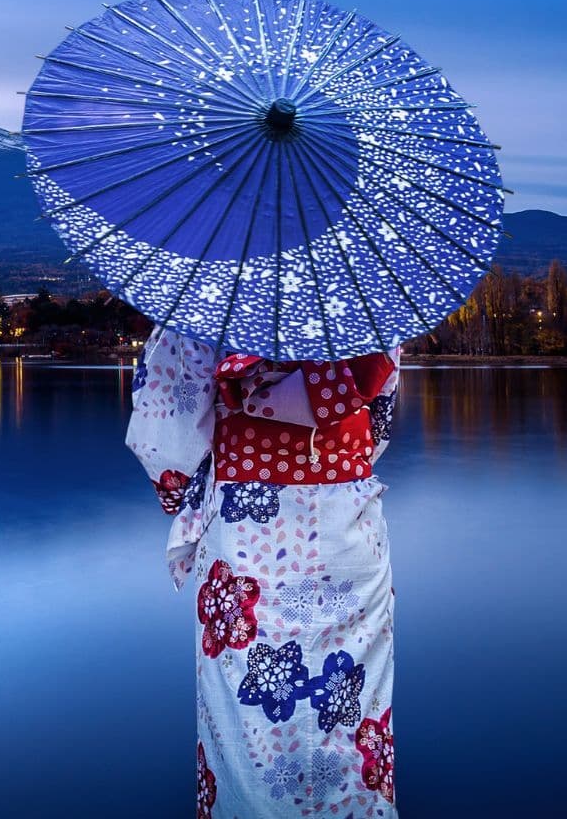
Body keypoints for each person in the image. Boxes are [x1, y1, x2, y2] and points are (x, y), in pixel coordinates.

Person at [127, 326, 400, 818]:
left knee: (248, 737)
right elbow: (378, 422)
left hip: (246, 541)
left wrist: (188, 491)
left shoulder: (211, 297)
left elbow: (164, 437)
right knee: (349, 723)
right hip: (349, 532)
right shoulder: (363, 297)